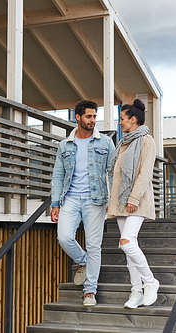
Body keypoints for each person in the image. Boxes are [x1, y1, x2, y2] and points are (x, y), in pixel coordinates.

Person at [51, 100, 115, 307]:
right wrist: (55, 203)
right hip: (69, 198)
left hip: (96, 200)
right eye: (89, 116)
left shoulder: (105, 142)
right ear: (77, 117)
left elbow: (113, 172)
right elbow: (58, 175)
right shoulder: (65, 145)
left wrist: (112, 198)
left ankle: (90, 291)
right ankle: (83, 261)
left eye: (95, 116)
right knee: (64, 237)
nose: (93, 120)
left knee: (94, 245)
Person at [107, 99, 159, 309]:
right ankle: (136, 291)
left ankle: (150, 281)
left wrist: (133, 199)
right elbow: (116, 175)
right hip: (120, 202)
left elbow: (145, 173)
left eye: (122, 119)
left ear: (133, 119)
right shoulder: (124, 143)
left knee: (126, 242)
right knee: (129, 249)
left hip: (136, 202)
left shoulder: (147, 141)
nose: (120, 123)